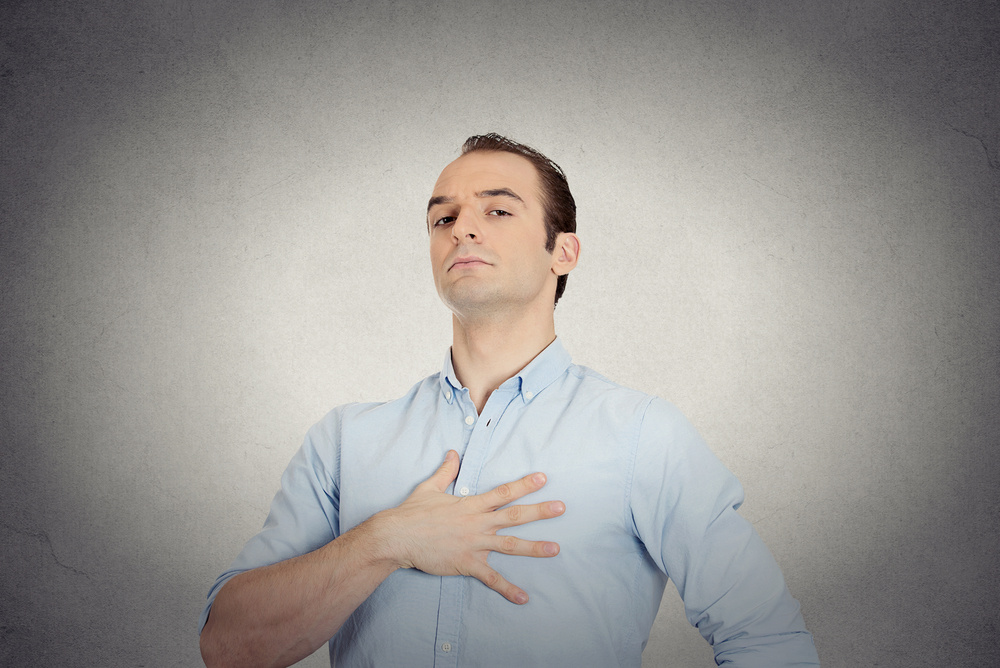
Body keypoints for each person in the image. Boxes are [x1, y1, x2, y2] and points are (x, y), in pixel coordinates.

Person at [199, 134, 820, 667]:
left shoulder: (643, 433)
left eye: (497, 210)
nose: (462, 227)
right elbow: (227, 648)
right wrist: (385, 539)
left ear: (563, 252)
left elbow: (767, 639)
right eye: (443, 218)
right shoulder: (343, 441)